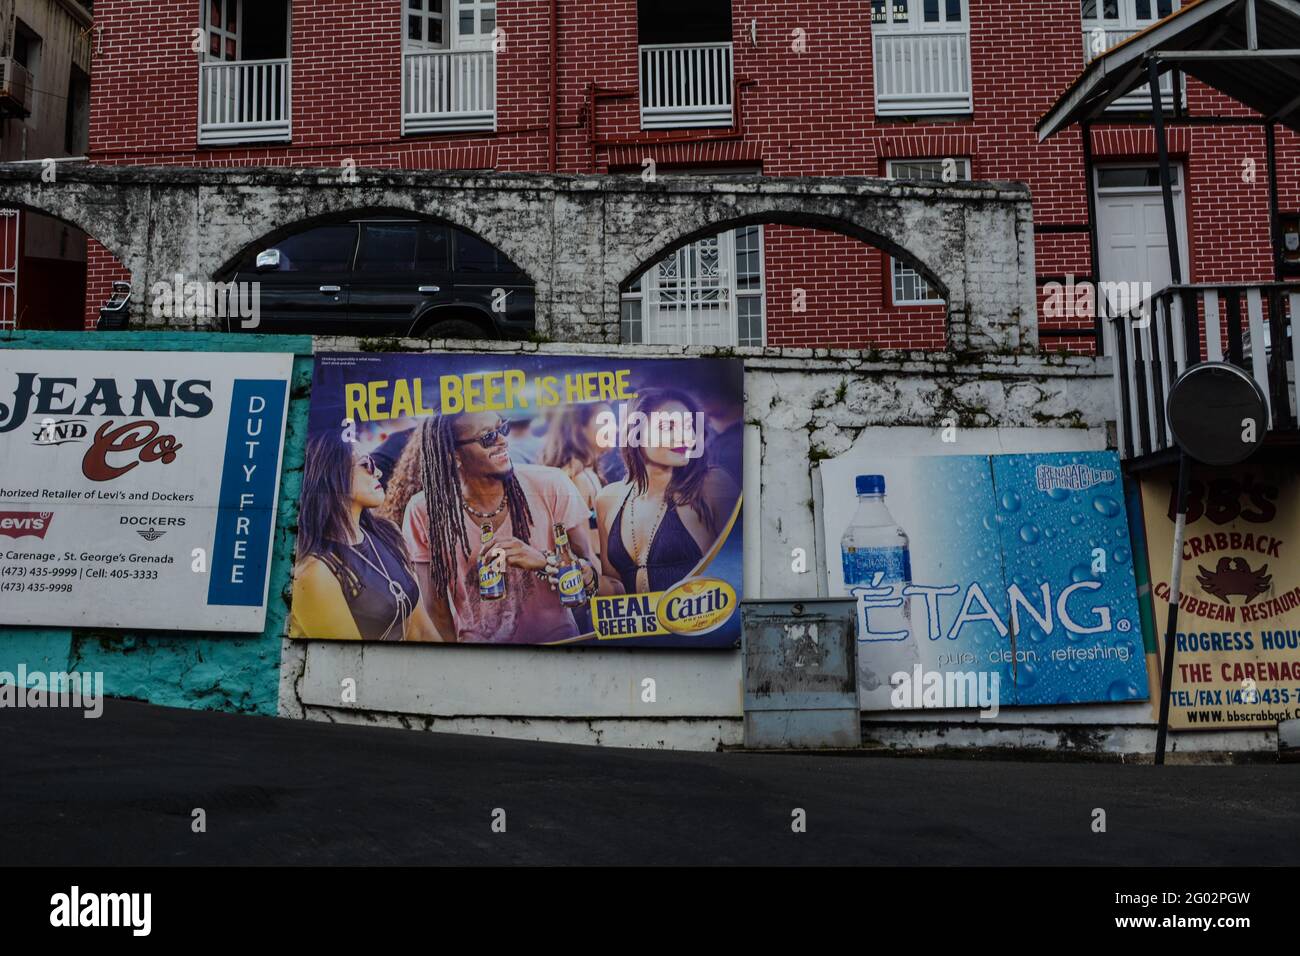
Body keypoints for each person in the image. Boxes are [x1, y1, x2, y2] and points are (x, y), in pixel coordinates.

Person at [402, 410, 605, 643]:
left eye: (502, 428)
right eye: (488, 437)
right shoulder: (425, 511)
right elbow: (436, 611)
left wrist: (543, 561)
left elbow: (595, 577)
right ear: (453, 455)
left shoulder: (551, 485)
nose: (502, 440)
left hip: (558, 646)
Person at [291, 431, 443, 642]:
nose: (378, 472)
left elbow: (422, 630)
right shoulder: (314, 571)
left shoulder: (387, 532)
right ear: (334, 475)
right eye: (366, 465)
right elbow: (349, 660)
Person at [596, 389, 740, 595]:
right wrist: (591, 580)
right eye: (668, 427)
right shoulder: (607, 500)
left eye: (689, 426)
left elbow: (740, 573)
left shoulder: (712, 486)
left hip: (700, 625)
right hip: (637, 626)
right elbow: (614, 589)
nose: (685, 437)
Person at [539, 401, 612, 542]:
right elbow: (585, 550)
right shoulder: (579, 478)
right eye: (605, 421)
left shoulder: (586, 472)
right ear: (579, 428)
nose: (615, 428)